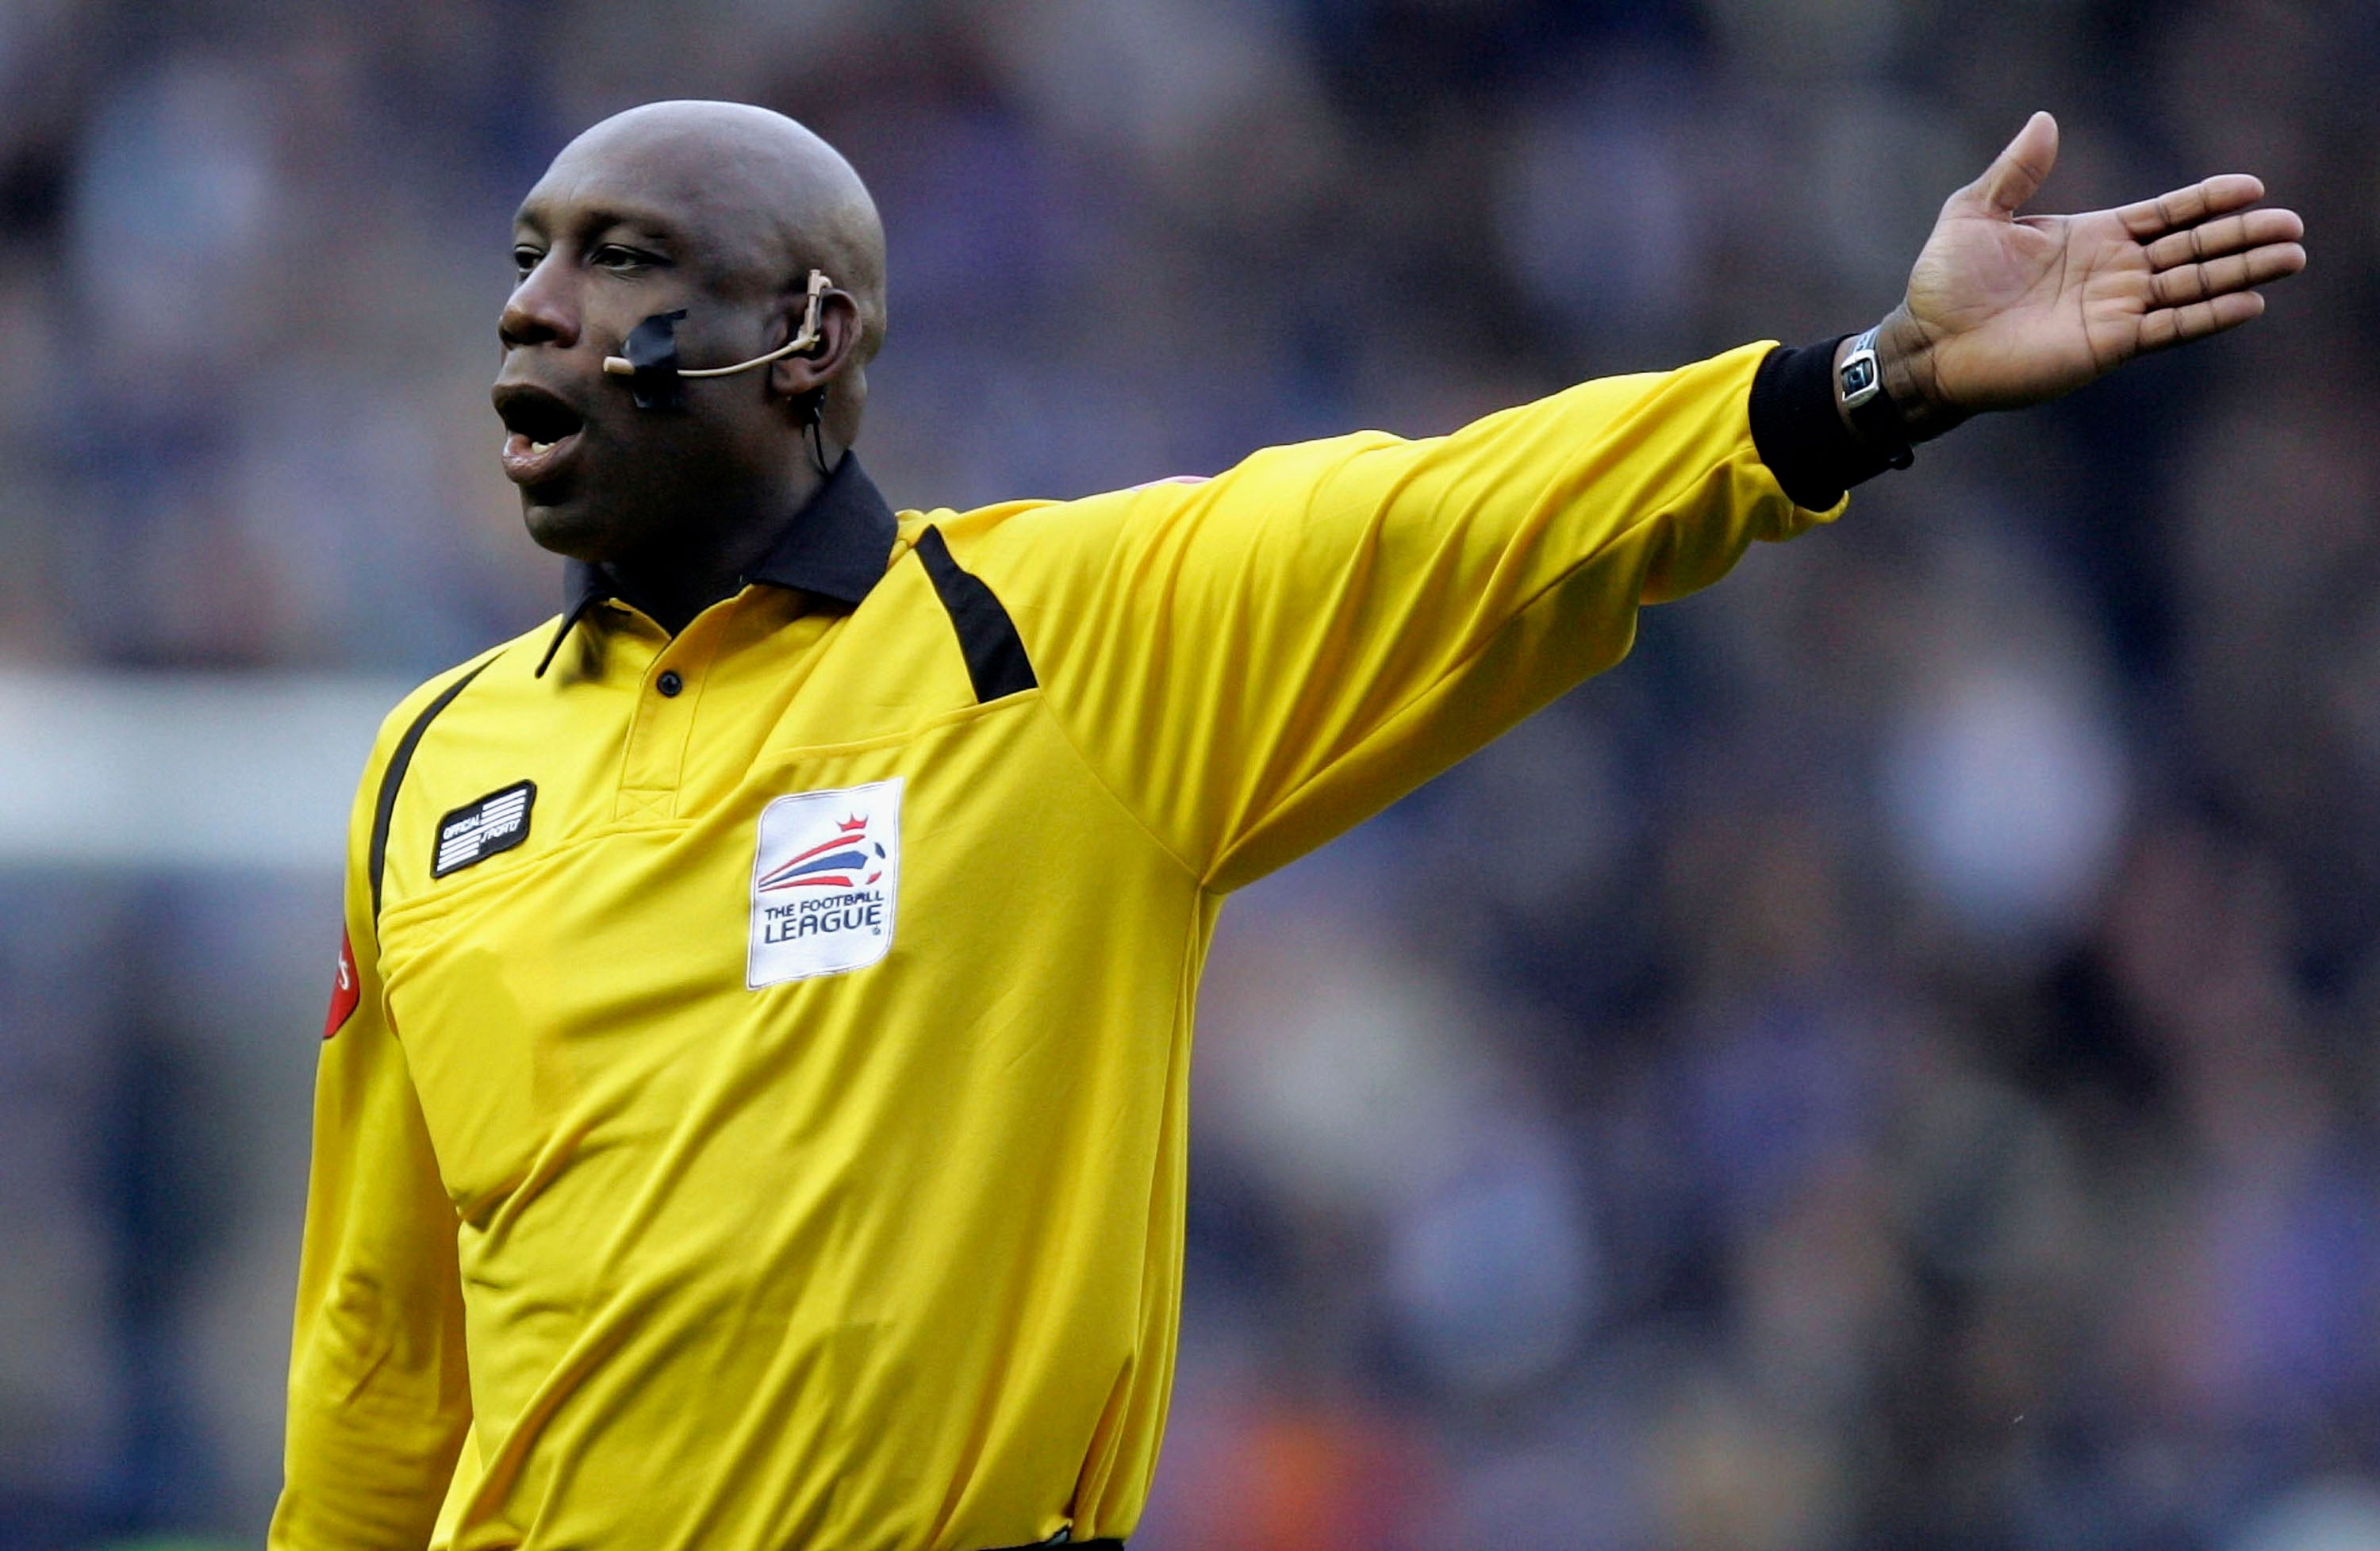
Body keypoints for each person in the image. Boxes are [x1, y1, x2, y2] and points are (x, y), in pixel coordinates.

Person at [269, 99, 2305, 1551]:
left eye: (618, 258)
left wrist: (1876, 380)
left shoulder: (1053, 646)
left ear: (812, 340)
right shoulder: (431, 770)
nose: (535, 303)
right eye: (526, 254)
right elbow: (381, 1348)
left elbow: (1481, 520)